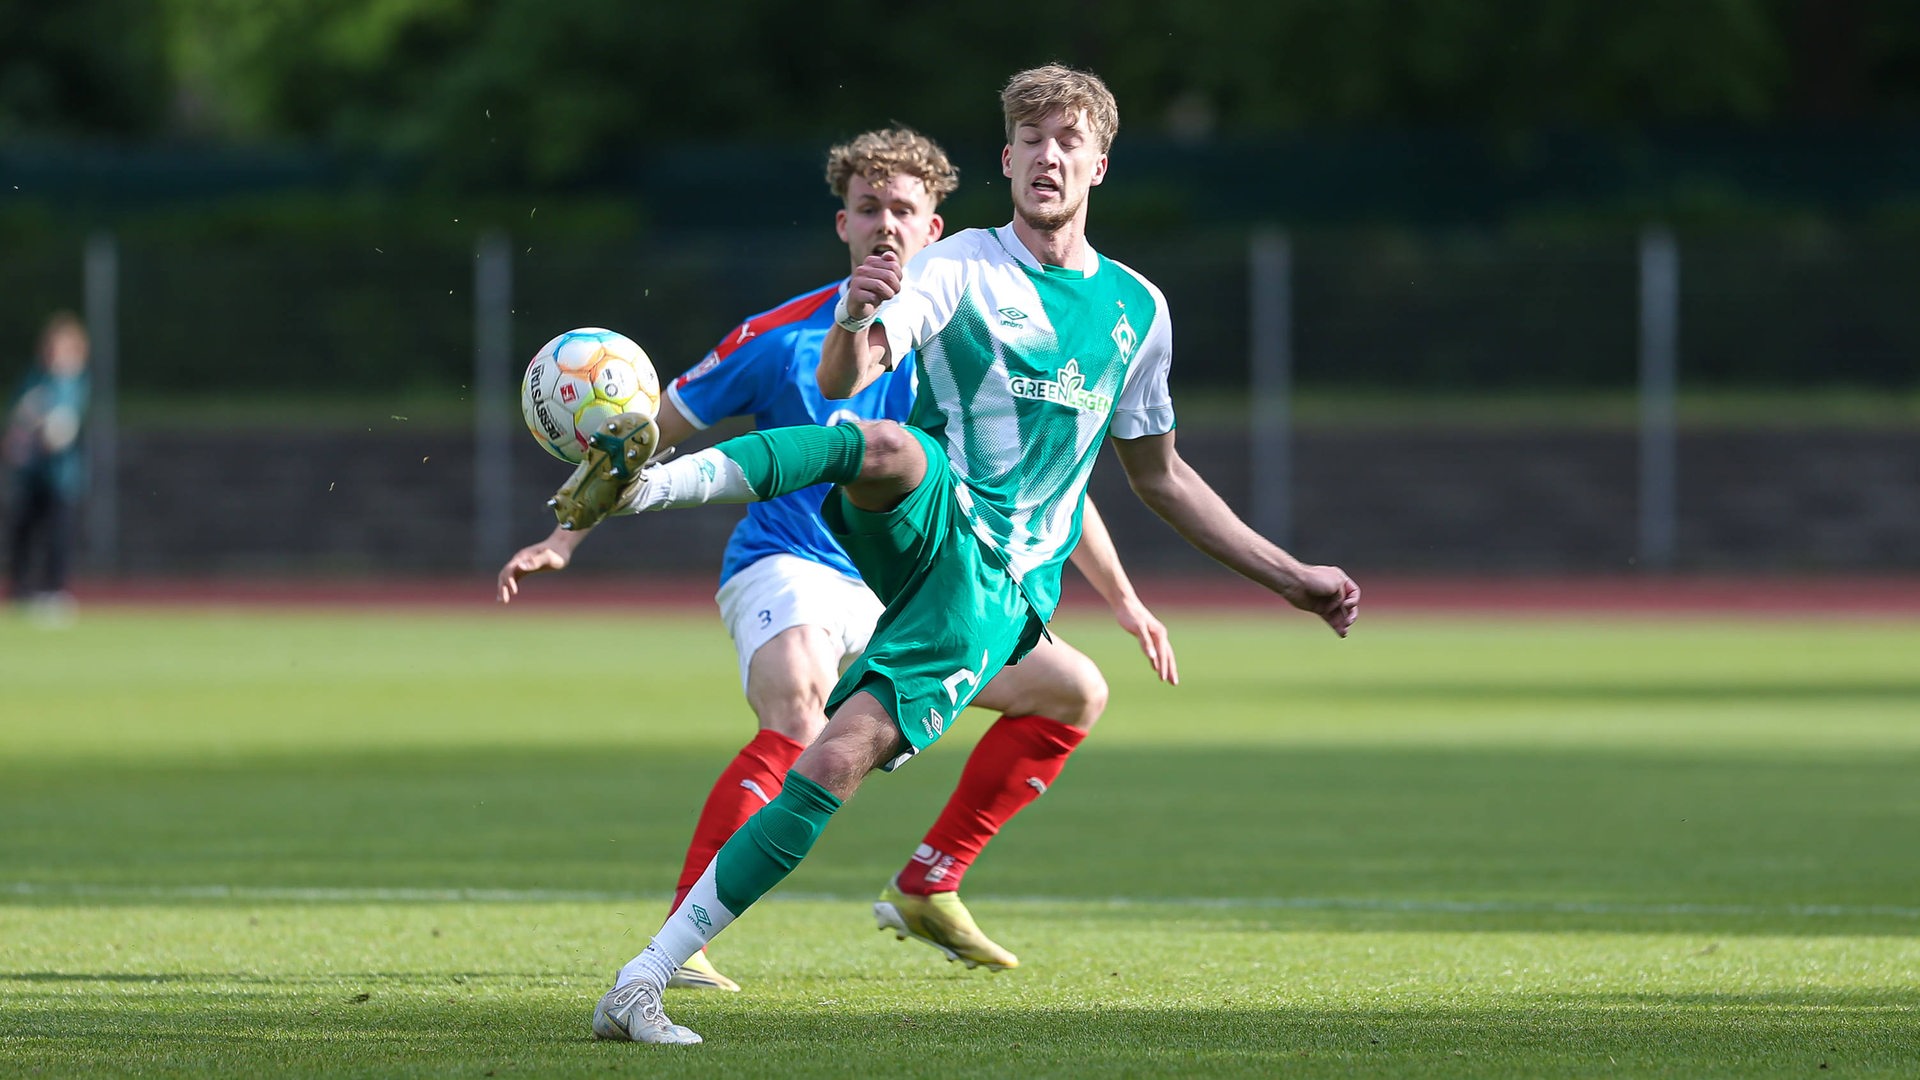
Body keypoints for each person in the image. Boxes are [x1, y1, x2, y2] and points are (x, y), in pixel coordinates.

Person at [572, 65, 1359, 1045]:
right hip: (931, 519)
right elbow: (850, 373)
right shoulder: (959, 267)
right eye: (1030, 139)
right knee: (890, 447)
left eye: (1067, 139)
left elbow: (1160, 477)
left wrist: (1294, 578)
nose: (1047, 155)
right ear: (1006, 159)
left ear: (1099, 164)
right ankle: (645, 486)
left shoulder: (1137, 311)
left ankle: (645, 978)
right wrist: (857, 317)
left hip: (991, 593)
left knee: (841, 753)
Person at [498, 127, 1177, 993]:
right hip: (788, 566)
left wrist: (1124, 600)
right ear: (842, 225)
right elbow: (647, 440)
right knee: (797, 711)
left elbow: (1044, 485)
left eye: (904, 210)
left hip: (914, 582)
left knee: (1073, 692)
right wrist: (564, 537)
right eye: (869, 210)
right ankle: (685, 936)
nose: (886, 226)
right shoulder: (778, 336)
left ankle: (932, 879)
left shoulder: (969, 323)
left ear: (935, 229)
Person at [5, 312, 91, 616]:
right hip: (32, 475)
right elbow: (19, 419)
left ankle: (54, 591)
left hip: (61, 477)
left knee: (58, 534)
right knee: (23, 530)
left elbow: (63, 430)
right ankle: (22, 591)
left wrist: (49, 428)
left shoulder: (75, 383)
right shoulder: (35, 378)